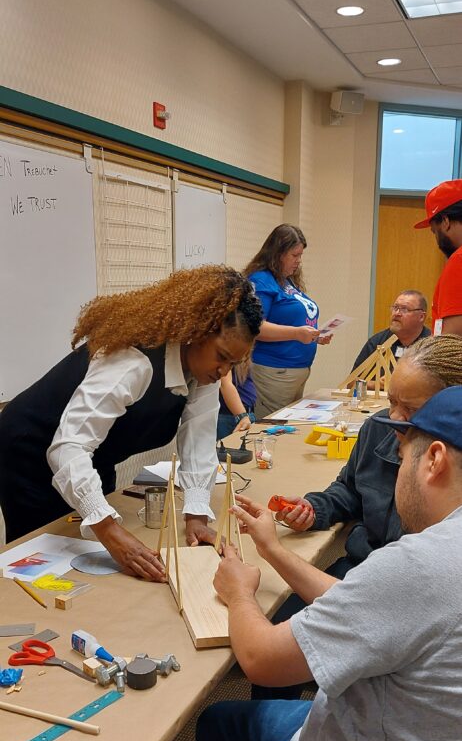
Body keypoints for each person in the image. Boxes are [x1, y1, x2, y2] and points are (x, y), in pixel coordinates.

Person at [79, 386, 462, 741]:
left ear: (433, 459)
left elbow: (261, 660)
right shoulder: (436, 563)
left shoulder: (425, 564)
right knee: (222, 726)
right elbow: (373, 611)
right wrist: (273, 550)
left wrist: (238, 595)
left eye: (402, 454)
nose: (396, 468)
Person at [0, 266, 262, 581]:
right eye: (221, 356)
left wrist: (196, 516)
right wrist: (109, 531)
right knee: (48, 565)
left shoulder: (204, 372)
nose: (224, 372)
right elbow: (68, 448)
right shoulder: (133, 362)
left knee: (95, 559)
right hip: (30, 451)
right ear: (196, 332)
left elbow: (199, 440)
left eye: (233, 363)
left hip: (93, 456)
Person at [272, 333, 462, 581]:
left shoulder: (455, 466)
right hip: (360, 567)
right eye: (392, 401)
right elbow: (350, 488)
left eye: (411, 409)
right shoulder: (378, 428)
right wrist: (314, 509)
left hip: (411, 581)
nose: (394, 417)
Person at [243, 224, 332, 419]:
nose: (299, 261)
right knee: (274, 427)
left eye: (300, 255)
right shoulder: (262, 280)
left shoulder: (285, 280)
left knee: (289, 425)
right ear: (278, 254)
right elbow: (255, 326)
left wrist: (315, 336)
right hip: (274, 372)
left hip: (295, 372)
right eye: (295, 255)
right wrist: (297, 334)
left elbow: (290, 321)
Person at [415, 178, 462, 336]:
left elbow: (452, 340)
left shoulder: (459, 260)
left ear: (445, 221)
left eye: (435, 231)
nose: (437, 240)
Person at [350, 289, 429, 374]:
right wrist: (378, 382)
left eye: (404, 309)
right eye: (395, 308)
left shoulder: (433, 345)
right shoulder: (377, 342)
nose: (397, 313)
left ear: (421, 316)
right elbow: (354, 380)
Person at [216, 360, 256, 440]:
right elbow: (225, 384)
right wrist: (242, 416)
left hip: (244, 414)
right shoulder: (226, 358)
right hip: (231, 416)